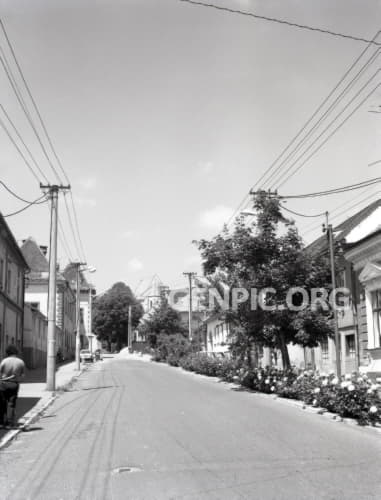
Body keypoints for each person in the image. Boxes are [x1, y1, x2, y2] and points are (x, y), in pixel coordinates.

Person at [0, 345, 25, 428]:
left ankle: (1, 423)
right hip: (14, 384)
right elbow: (23, 376)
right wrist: (17, 379)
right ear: (16, 353)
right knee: (11, 403)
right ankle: (9, 424)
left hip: (3, 384)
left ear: (7, 353)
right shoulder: (20, 362)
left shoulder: (4, 361)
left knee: (2, 403)